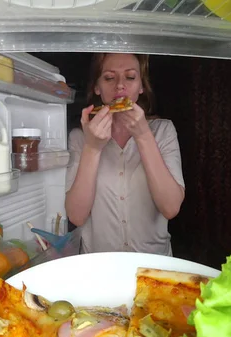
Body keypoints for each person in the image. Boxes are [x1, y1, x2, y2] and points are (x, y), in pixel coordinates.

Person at [65, 53, 185, 256]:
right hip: (99, 266)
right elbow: (76, 216)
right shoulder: (80, 137)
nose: (120, 85)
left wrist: (143, 136)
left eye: (130, 77)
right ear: (97, 87)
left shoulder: (164, 131)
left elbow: (171, 207)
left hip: (154, 265)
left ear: (141, 87)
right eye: (109, 78)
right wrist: (92, 148)